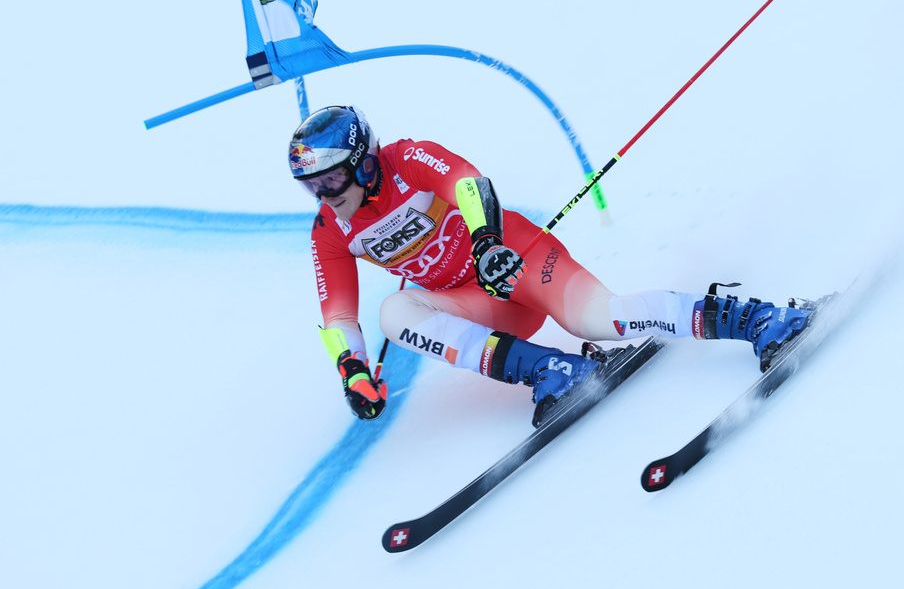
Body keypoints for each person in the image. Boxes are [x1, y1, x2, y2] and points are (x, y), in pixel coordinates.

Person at [290, 106, 811, 425]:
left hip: (513, 259)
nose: (324, 195)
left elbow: (471, 185)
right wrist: (351, 369)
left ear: (361, 160)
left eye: (330, 180)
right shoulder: (330, 230)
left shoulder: (407, 158)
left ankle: (761, 320)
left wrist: (486, 243)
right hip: (479, 305)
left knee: (600, 319)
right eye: (312, 186)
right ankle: (553, 369)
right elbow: (337, 315)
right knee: (394, 313)